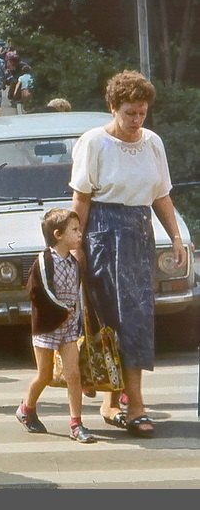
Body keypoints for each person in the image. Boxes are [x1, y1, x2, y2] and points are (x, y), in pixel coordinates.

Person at [70, 70, 186, 438]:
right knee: (108, 320)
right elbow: (81, 198)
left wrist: (176, 237)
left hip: (139, 231)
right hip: (103, 232)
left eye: (142, 113)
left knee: (136, 319)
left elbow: (161, 195)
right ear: (113, 108)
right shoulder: (94, 143)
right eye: (130, 113)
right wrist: (77, 247)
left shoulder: (152, 142)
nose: (137, 120)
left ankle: (131, 404)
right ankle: (121, 402)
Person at [17, 208, 97, 444]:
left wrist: (80, 318)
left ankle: (76, 423)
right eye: (74, 230)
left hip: (69, 326)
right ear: (58, 234)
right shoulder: (44, 260)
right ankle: (26, 408)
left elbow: (78, 294)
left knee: (74, 375)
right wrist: (62, 309)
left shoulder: (74, 263)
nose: (80, 234)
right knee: (44, 375)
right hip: (46, 325)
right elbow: (39, 291)